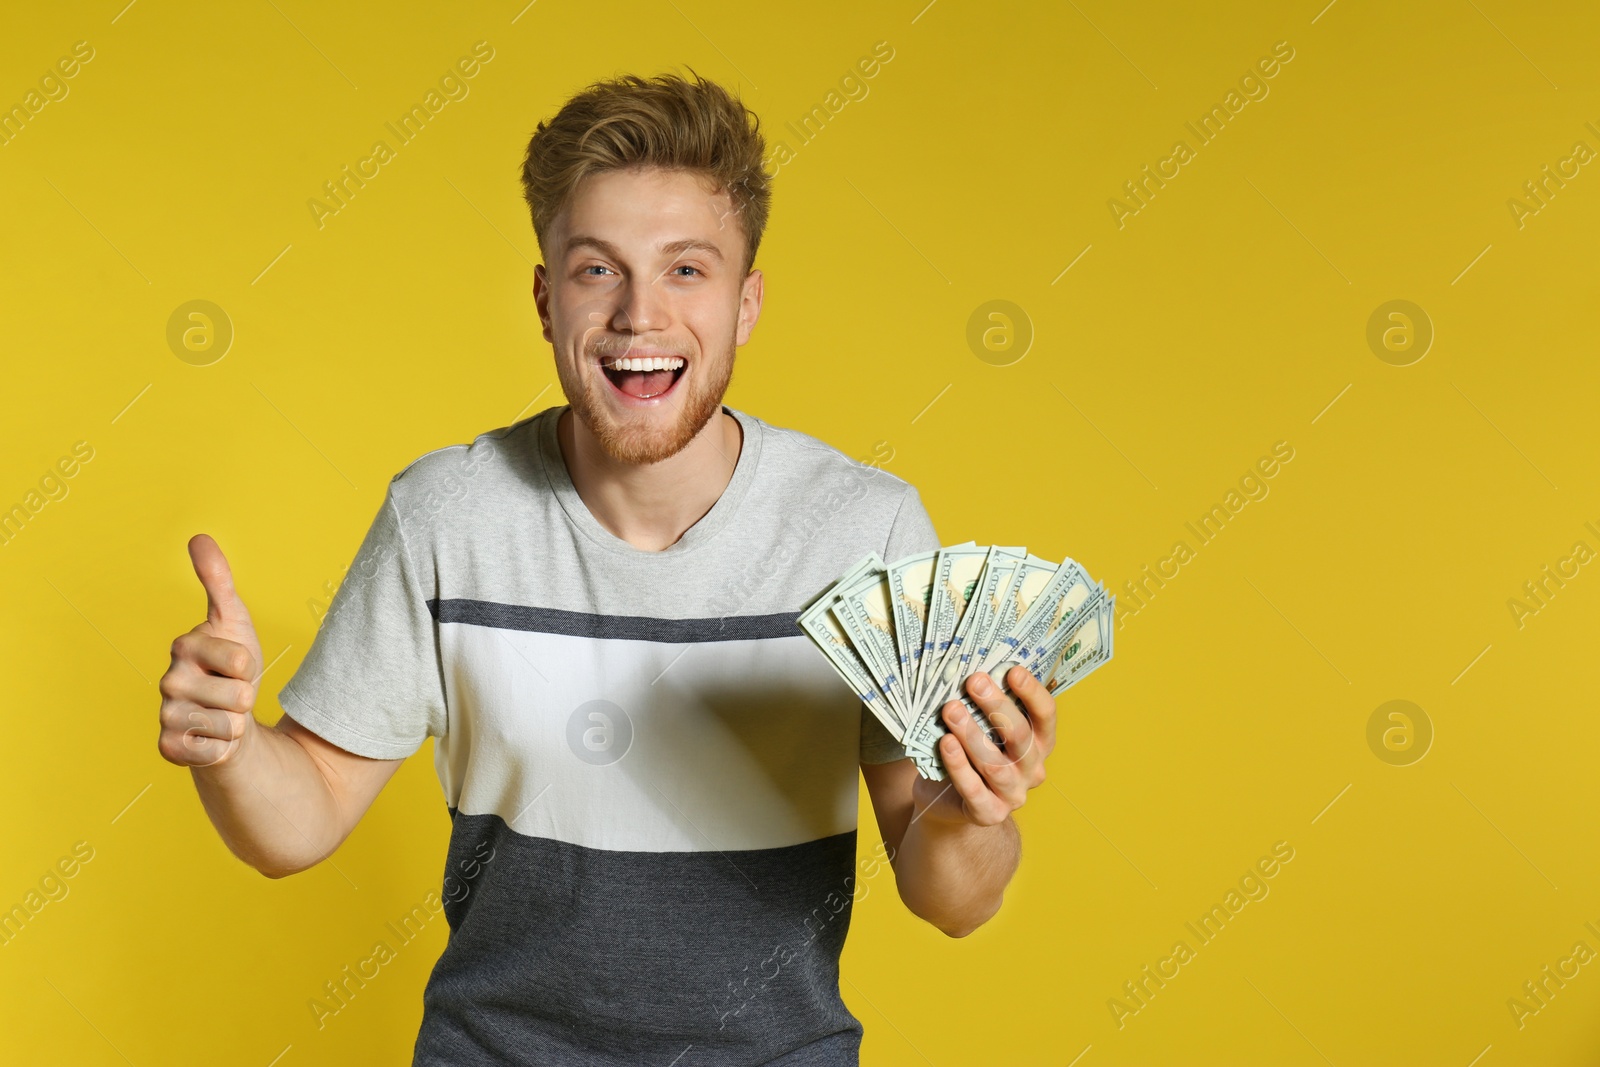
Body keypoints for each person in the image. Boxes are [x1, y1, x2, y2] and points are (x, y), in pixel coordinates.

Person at [157, 69, 1059, 1066]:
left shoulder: (867, 533)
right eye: (598, 270)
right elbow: (304, 812)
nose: (640, 314)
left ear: (746, 302)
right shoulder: (446, 516)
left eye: (686, 269)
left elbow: (953, 897)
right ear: (546, 299)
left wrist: (975, 806)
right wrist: (231, 748)